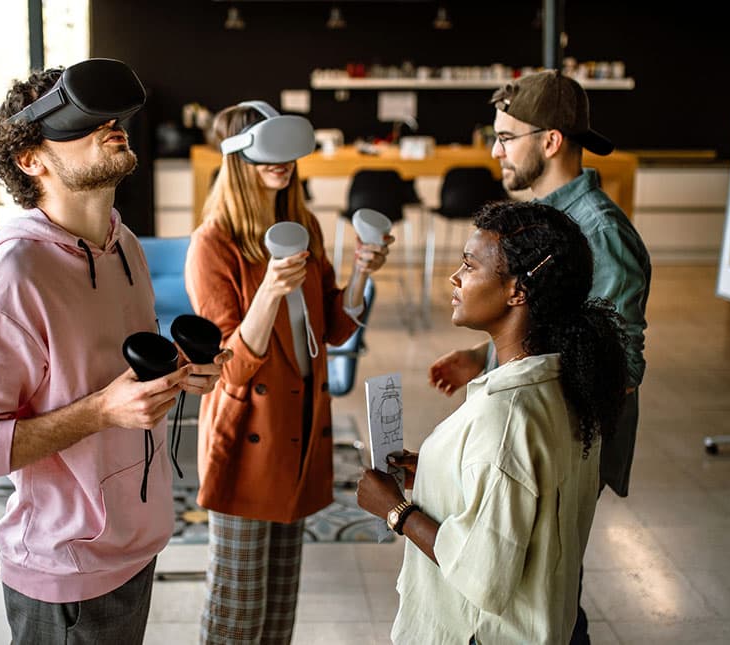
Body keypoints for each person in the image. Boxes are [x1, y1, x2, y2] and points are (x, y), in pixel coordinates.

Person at [0, 59, 226, 645]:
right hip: (63, 572)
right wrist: (101, 411)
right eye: (78, 122)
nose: (111, 125)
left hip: (135, 546)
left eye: (112, 115)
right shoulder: (12, 278)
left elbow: (102, 375)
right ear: (31, 159)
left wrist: (167, 378)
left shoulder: (125, 245)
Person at [429, 70, 651, 643]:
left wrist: (546, 431)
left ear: (550, 141)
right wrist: (483, 357)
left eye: (506, 137)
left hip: (557, 442)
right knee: (519, 582)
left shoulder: (600, 232)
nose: (496, 150)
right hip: (525, 437)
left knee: (546, 595)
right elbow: (548, 323)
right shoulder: (541, 219)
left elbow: (618, 362)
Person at [357, 200, 628, 644]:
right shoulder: (566, 382)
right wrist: (434, 472)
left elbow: (482, 574)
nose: (455, 277)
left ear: (517, 290)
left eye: (469, 265)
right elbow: (518, 497)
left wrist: (396, 510)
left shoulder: (506, 416)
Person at [186, 101, 392, 644]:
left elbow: (333, 328)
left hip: (300, 429)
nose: (279, 162)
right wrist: (271, 291)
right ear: (237, 157)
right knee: (236, 609)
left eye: (285, 150)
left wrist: (360, 274)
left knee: (279, 606)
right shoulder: (214, 244)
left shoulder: (305, 227)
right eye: (263, 150)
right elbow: (227, 367)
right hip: (249, 436)